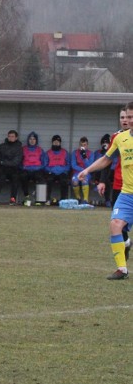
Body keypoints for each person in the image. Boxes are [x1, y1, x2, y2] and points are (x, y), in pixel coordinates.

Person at [76, 100, 133, 281]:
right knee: (115, 225)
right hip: (127, 193)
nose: (130, 120)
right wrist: (87, 170)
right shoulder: (121, 139)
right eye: (127, 117)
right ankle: (122, 269)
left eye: (132, 117)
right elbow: (107, 159)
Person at [0, 130, 22, 205]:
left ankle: (13, 198)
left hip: (14, 169)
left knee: (15, 178)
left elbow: (16, 161)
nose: (10, 138)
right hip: (2, 169)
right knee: (1, 178)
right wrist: (1, 163)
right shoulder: (2, 146)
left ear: (16, 138)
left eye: (12, 136)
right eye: (9, 136)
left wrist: (4, 162)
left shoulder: (19, 147)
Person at [21, 131, 47, 204]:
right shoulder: (23, 149)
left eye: (34, 139)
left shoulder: (40, 150)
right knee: (22, 177)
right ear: (28, 140)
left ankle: (40, 200)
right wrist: (23, 167)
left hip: (37, 169)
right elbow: (20, 160)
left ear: (36, 140)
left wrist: (39, 167)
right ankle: (27, 196)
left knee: (42, 179)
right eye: (30, 139)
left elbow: (44, 162)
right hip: (26, 169)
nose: (32, 141)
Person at [45, 134, 70, 203]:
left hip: (62, 172)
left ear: (60, 143)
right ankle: (48, 199)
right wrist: (51, 170)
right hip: (51, 172)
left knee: (64, 181)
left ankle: (63, 200)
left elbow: (68, 165)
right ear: (52, 142)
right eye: (54, 141)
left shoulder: (65, 152)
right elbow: (45, 165)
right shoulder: (48, 153)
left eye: (58, 141)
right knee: (49, 180)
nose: (56, 143)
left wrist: (63, 169)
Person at [69, 137, 93, 204]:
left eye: (84, 145)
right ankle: (78, 198)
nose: (83, 147)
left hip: (87, 173)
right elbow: (73, 165)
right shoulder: (75, 153)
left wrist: (85, 157)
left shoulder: (91, 153)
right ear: (79, 145)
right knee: (74, 181)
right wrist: (82, 170)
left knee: (84, 180)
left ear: (87, 145)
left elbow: (90, 166)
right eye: (81, 145)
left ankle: (85, 199)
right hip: (77, 172)